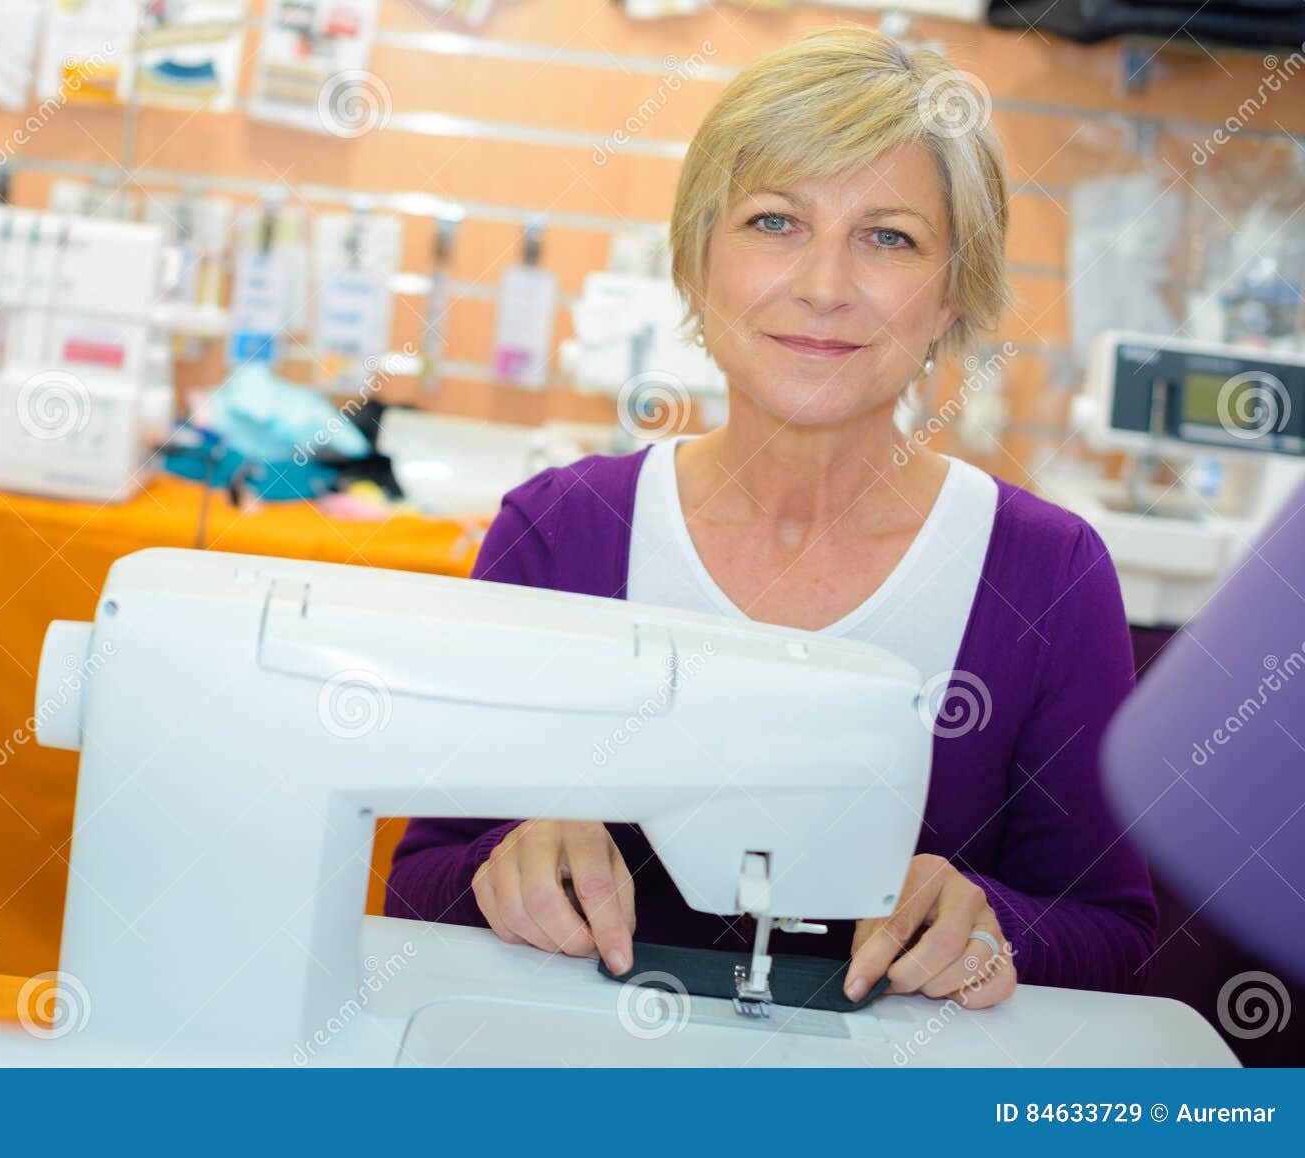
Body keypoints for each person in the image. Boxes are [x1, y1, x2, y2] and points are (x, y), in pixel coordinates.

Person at [387, 25, 1157, 1010]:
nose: (824, 287)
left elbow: (1117, 938)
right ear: (696, 262)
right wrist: (503, 868)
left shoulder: (1047, 574)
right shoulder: (558, 532)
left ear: (951, 298)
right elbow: (418, 885)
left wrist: (992, 921)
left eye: (888, 238)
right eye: (773, 222)